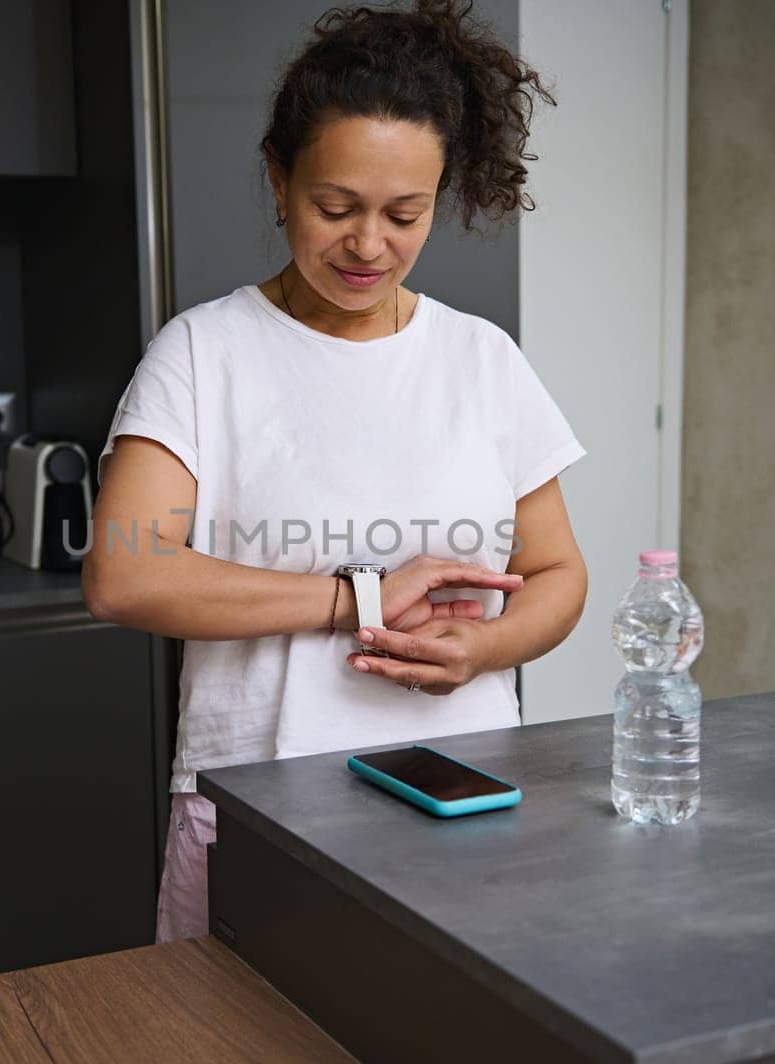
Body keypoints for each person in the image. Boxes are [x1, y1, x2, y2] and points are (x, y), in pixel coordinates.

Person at [83, 0, 587, 943]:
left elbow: (559, 574)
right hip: (265, 805)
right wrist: (360, 598)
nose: (369, 246)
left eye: (406, 214)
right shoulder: (203, 353)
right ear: (280, 181)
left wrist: (486, 650)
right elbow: (124, 573)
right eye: (335, 208)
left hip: (462, 791)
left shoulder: (484, 360)